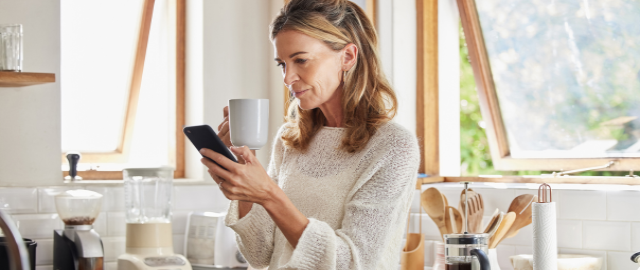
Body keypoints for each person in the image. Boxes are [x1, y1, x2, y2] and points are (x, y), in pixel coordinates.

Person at [199, 0, 420, 269]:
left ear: (348, 57)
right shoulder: (291, 140)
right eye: (282, 64)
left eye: (301, 60)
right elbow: (260, 255)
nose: (288, 77)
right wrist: (245, 186)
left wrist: (269, 195)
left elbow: (353, 263)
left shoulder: (393, 147)